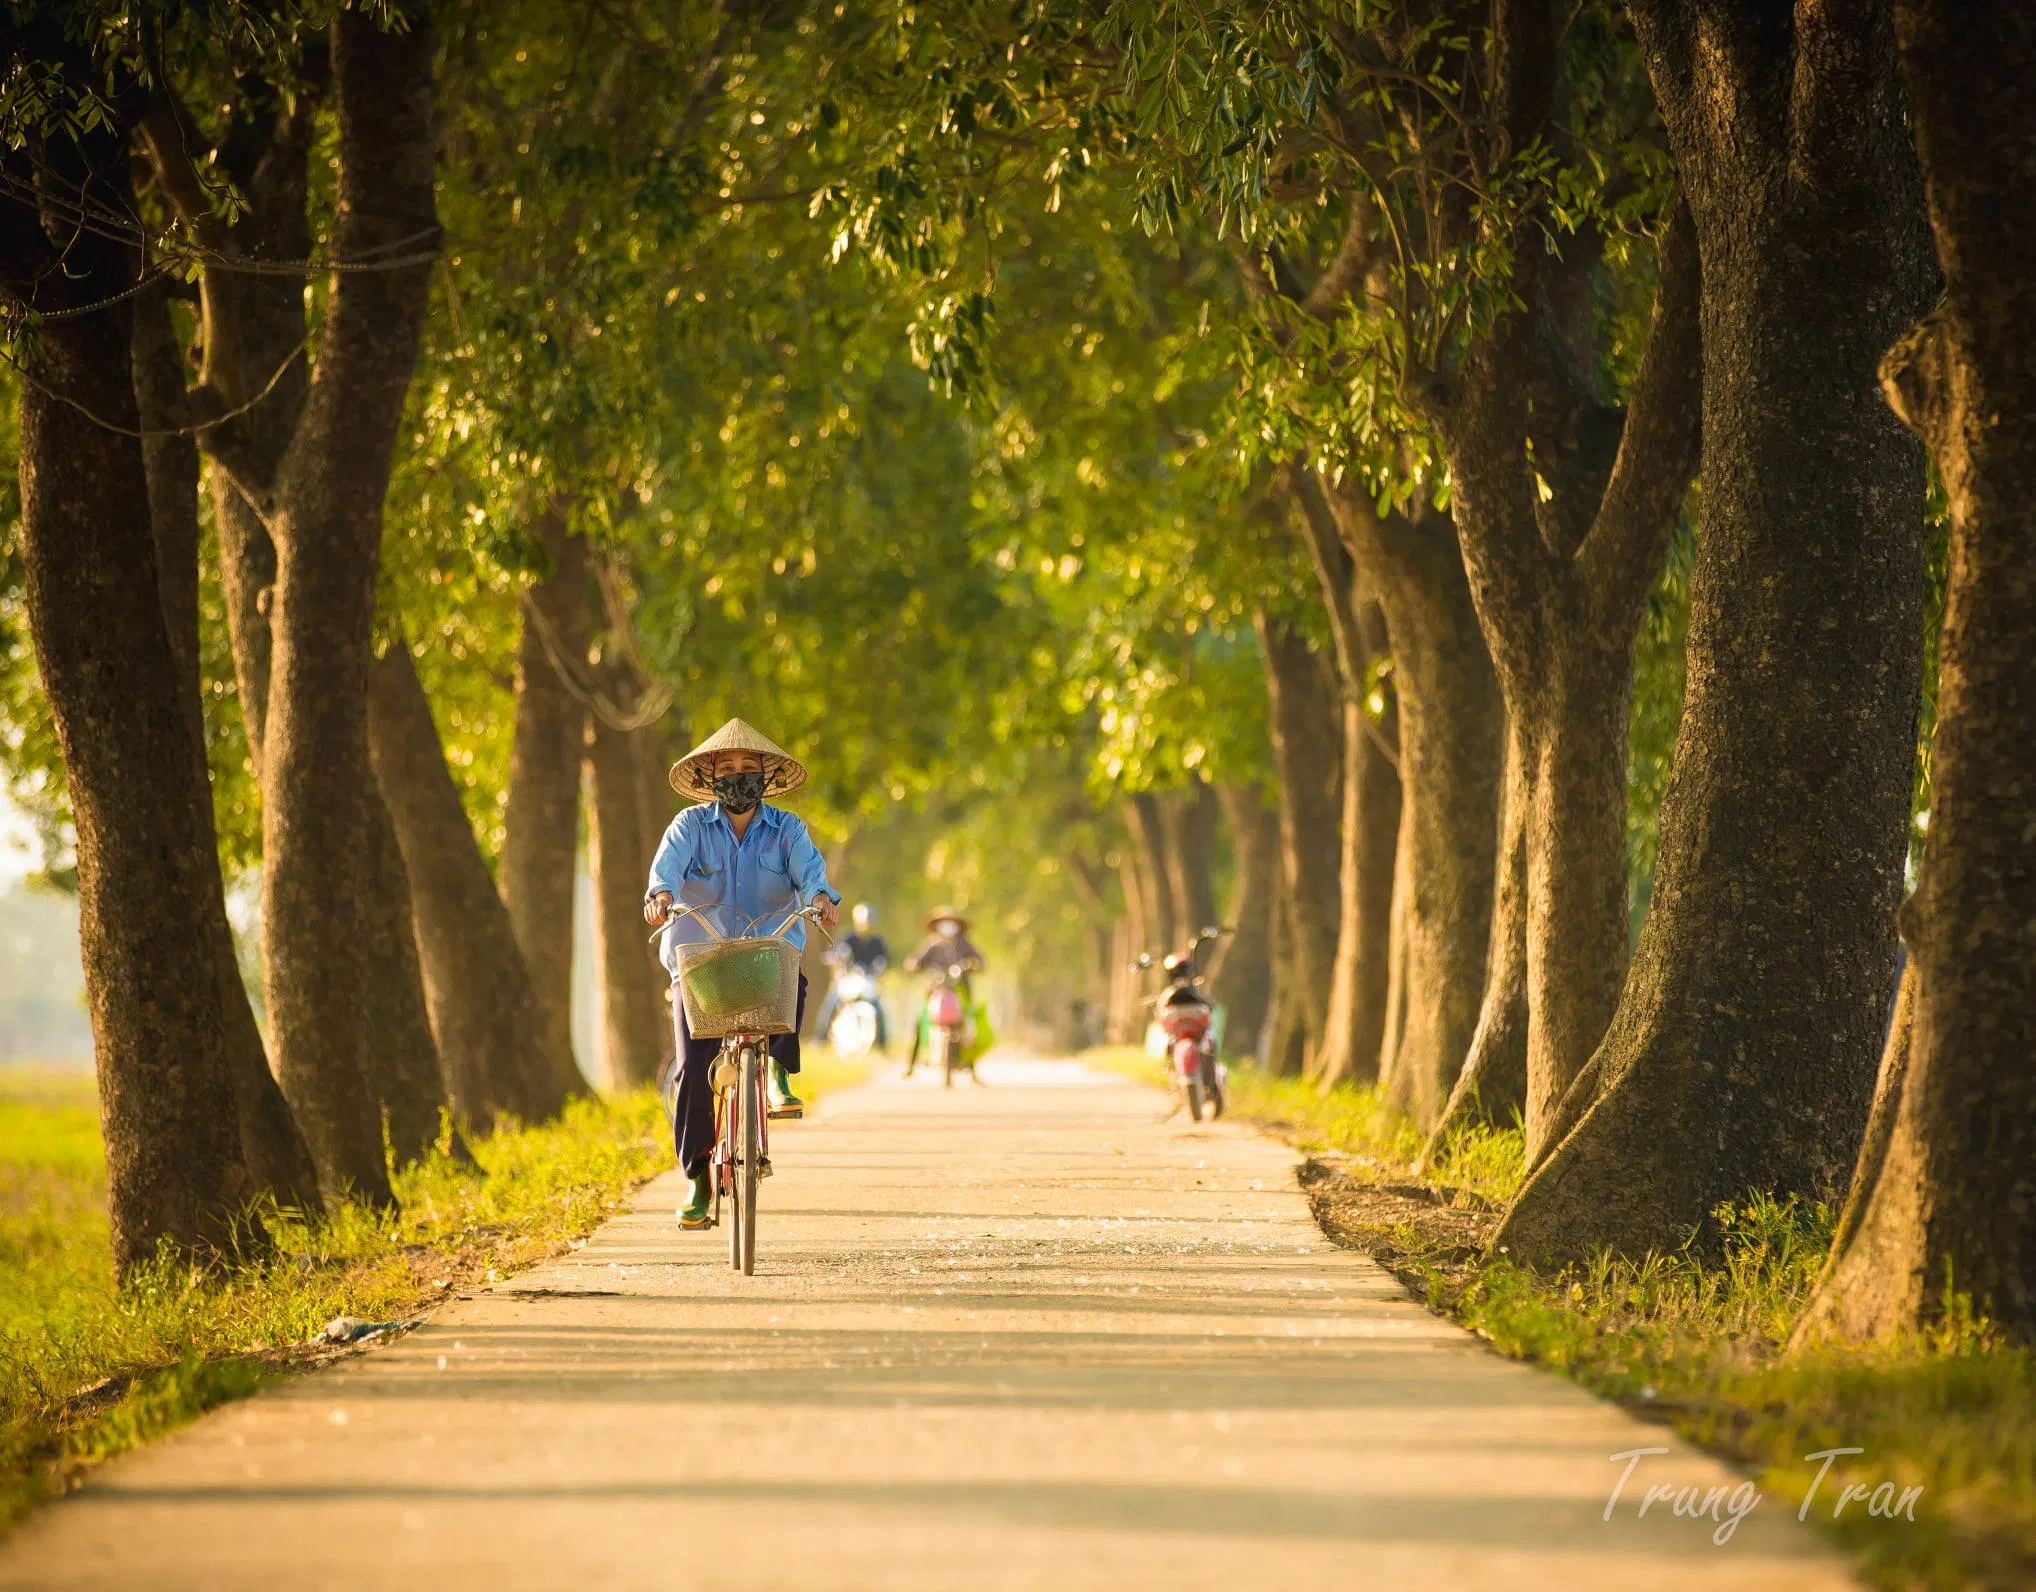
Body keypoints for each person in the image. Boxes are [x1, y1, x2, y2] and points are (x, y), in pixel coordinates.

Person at [645, 718, 839, 1229]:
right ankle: (697, 1179)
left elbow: (811, 874)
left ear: (765, 776)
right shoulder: (689, 827)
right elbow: (666, 871)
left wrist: (821, 899)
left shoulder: (788, 831)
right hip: (701, 966)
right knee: (692, 1070)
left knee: (793, 979)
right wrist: (661, 896)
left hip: (765, 959)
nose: (738, 775)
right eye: (727, 767)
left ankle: (777, 1073)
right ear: (710, 775)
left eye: (748, 767)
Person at [904, 906, 991, 1075]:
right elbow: (917, 961)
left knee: (969, 1025)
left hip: (961, 990)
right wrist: (913, 965)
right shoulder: (931, 943)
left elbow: (980, 961)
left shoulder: (964, 944)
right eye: (944, 922)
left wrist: (976, 965)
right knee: (921, 1022)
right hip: (935, 990)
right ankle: (911, 1066)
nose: (948, 926)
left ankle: (972, 1068)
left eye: (951, 922)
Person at [815, 902, 890, 1050]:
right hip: (848, 979)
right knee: (831, 1001)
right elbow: (837, 954)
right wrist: (835, 961)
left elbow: (882, 961)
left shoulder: (877, 942)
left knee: (879, 1007)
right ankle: (820, 1039)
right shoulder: (848, 937)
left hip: (867, 981)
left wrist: (879, 969)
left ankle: (882, 1042)